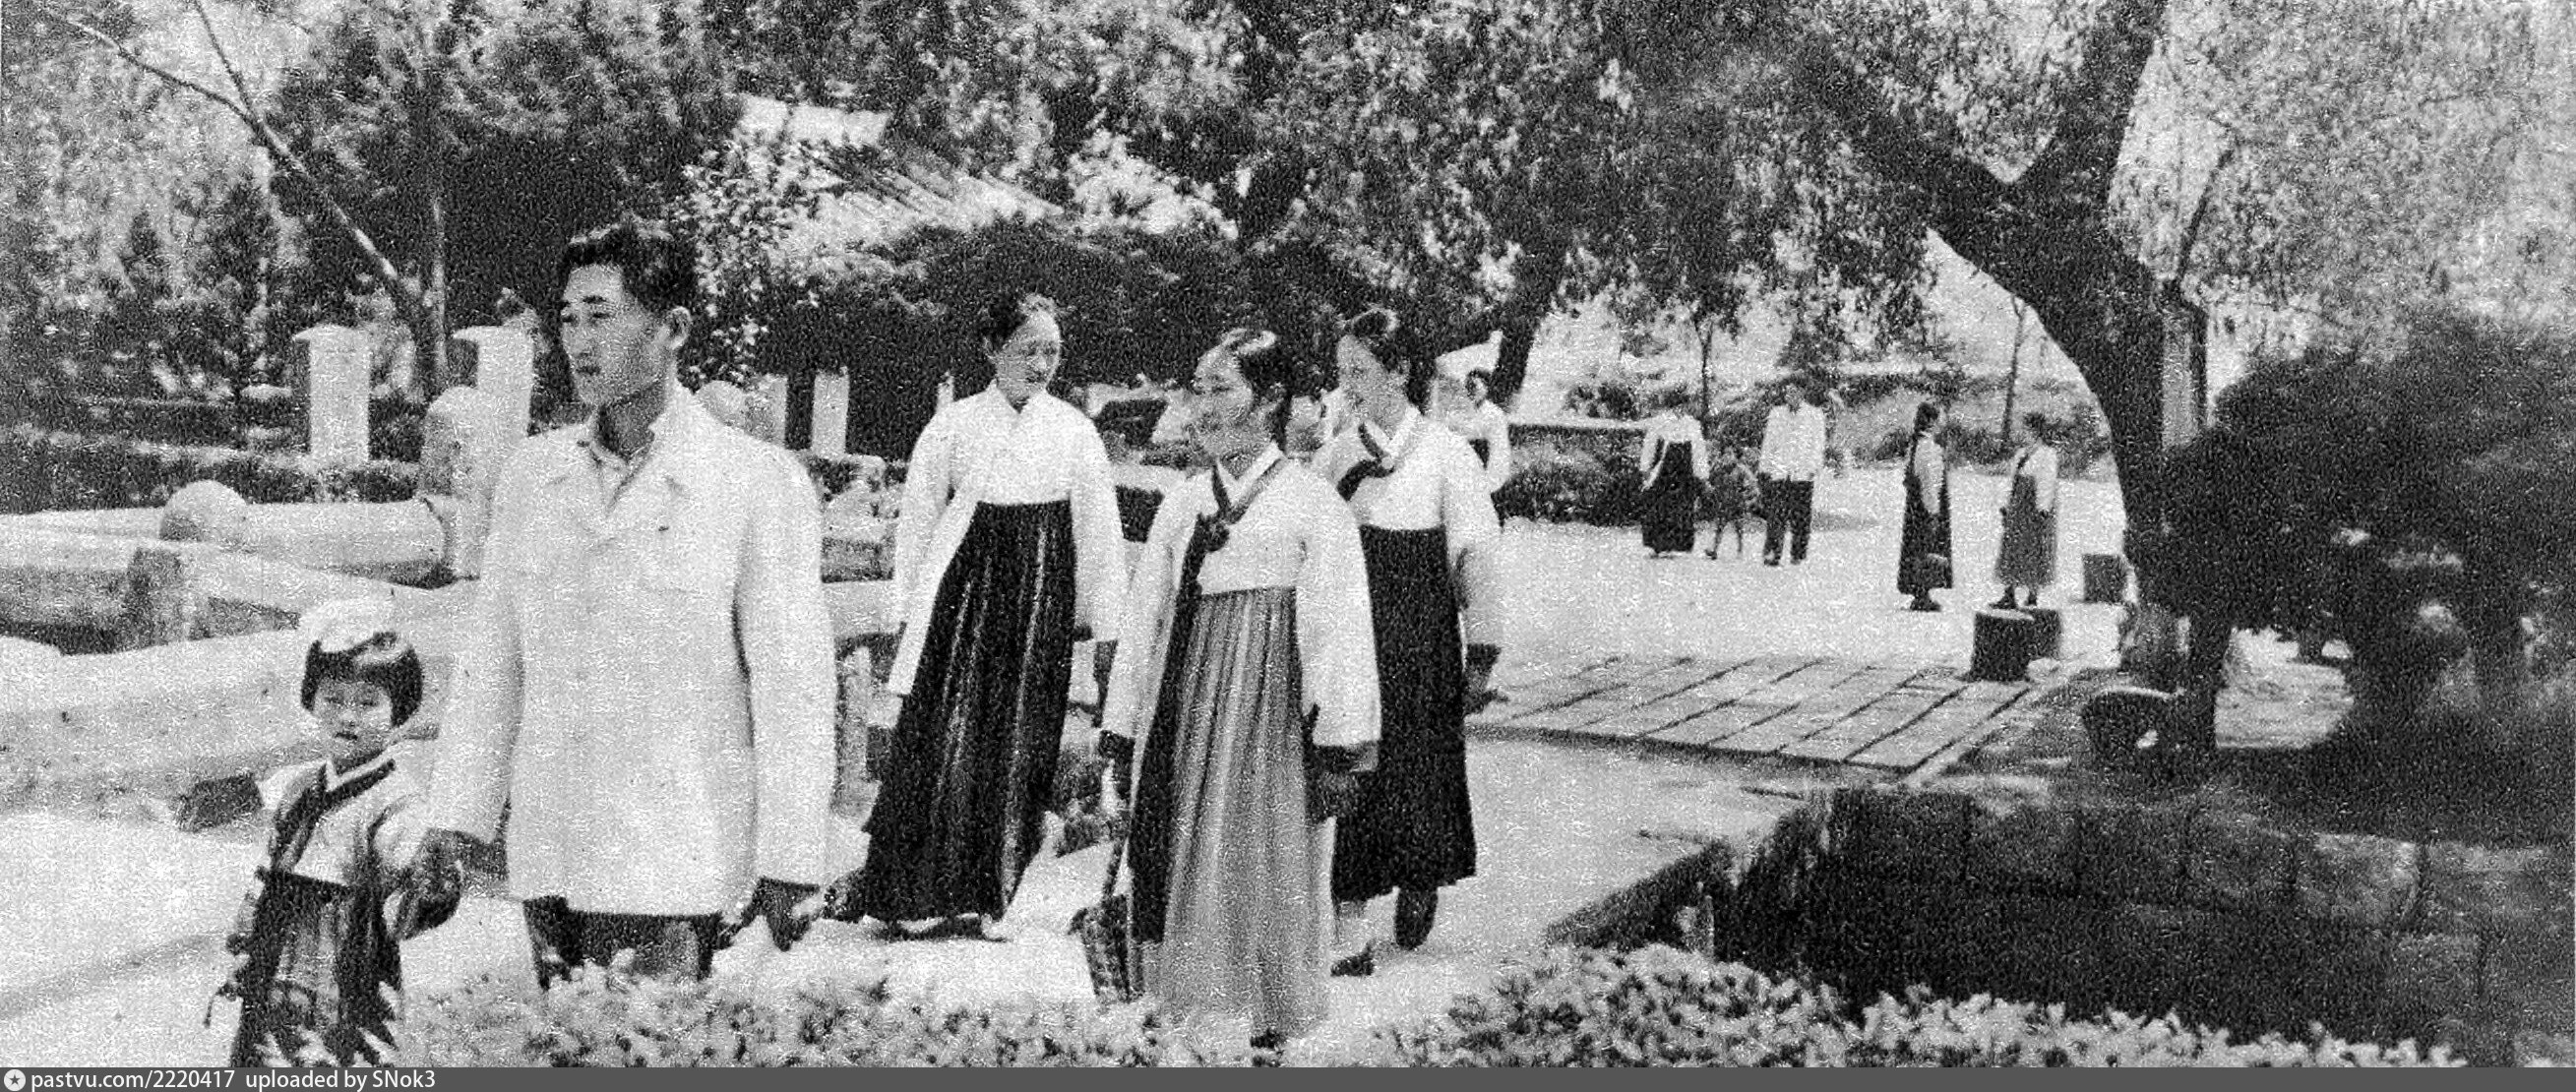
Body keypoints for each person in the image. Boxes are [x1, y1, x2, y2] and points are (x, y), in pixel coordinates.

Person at [413, 218, 837, 987]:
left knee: (649, 1041)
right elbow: (493, 666)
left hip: (674, 850)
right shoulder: (532, 477)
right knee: (558, 1040)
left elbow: (793, 687)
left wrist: (792, 859)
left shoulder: (754, 482)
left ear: (673, 328)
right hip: (551, 847)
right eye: (568, 319)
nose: (580, 341)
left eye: (601, 316)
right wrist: (456, 818)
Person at [1098, 328, 1381, 1050]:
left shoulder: (1314, 506)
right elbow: (1143, 626)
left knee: (1262, 859)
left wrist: (1340, 749)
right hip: (1180, 710)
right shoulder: (1182, 504)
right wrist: (1122, 733)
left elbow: (1339, 637)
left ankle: (1260, 1027)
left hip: (1269, 720)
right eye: (1198, 389)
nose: (1202, 407)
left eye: (1221, 388)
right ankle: (1181, 1018)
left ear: (1272, 399)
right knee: (1176, 855)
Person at [835, 291, 1129, 940]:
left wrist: (1110, 629)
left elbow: (1100, 538)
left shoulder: (1074, 431)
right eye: (1028, 350)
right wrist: (905, 615)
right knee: (944, 737)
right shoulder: (954, 426)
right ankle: (915, 896)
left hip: (1038, 603)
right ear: (992, 349)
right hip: (962, 600)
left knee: (1019, 743)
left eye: (1052, 352)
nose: (1042, 365)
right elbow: (918, 528)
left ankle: (995, 898)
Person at [1316, 308, 1503, 974]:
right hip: (1355, 632)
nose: (1348, 385)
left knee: (1420, 767)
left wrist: (1480, 655)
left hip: (1422, 636)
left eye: (1360, 371)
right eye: (1342, 372)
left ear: (1399, 372)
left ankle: (1420, 875)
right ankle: (1349, 916)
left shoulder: (1447, 454)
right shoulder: (1335, 455)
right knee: (1351, 761)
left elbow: (1475, 556)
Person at [218, 603, 459, 1065]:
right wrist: (244, 944)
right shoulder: (299, 788)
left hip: (348, 955)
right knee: (261, 1056)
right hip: (277, 952)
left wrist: (429, 879)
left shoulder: (397, 800)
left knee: (338, 1058)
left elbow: (407, 884)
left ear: (400, 713)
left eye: (368, 703)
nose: (348, 716)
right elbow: (267, 872)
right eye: (332, 699)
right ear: (311, 702)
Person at [1757, 381, 1829, 566]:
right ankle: (1774, 553)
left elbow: (1818, 444)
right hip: (1780, 470)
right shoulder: (1777, 414)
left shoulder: (1814, 415)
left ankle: (1798, 553)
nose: (1791, 395)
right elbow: (1769, 442)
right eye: (1788, 392)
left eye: (1795, 392)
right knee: (1776, 514)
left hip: (1802, 471)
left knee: (1801, 515)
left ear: (1802, 393)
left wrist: (1813, 467)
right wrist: (1765, 467)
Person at [1993, 411, 2061, 609]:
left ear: (2036, 431)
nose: (2024, 433)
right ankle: (2009, 593)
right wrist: (2005, 504)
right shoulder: (2021, 454)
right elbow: (2011, 480)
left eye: (2027, 430)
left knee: (2034, 547)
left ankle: (2032, 595)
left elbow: (2047, 482)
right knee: (2012, 546)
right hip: (2018, 504)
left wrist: (2043, 508)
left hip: (2034, 505)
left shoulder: (2047, 454)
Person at [1897, 401, 1955, 612]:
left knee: (1916, 546)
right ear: (1931, 422)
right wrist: (1933, 510)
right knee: (1927, 546)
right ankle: (1924, 592)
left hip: (1914, 505)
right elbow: (1930, 482)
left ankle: (1918, 590)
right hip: (1926, 504)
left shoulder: (1916, 445)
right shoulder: (1929, 448)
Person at [1637, 396, 1707, 557]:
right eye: (1677, 406)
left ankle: (1678, 546)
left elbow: (1699, 451)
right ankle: (1658, 545)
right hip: (1665, 471)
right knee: (1661, 509)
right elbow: (1650, 445)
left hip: (1685, 472)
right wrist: (1645, 468)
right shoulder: (1660, 422)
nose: (1680, 410)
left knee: (1682, 509)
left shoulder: (1692, 424)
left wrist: (1702, 474)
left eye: (1683, 406)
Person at [1446, 369, 1514, 496]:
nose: (1471, 391)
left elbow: (1499, 450)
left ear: (1486, 389)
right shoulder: (1456, 411)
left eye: (1475, 387)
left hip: (1482, 468)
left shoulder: (1494, 415)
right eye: (1468, 386)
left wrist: (1489, 483)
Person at [1704, 445, 1762, 559]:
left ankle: (1740, 551)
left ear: (1735, 456)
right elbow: (1710, 480)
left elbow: (1753, 485)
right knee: (1719, 527)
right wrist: (1711, 489)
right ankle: (1714, 550)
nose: (1727, 456)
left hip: (1737, 503)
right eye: (1725, 454)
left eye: (1730, 454)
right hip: (1724, 503)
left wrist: (1747, 497)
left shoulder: (1741, 469)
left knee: (1739, 528)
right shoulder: (1720, 469)